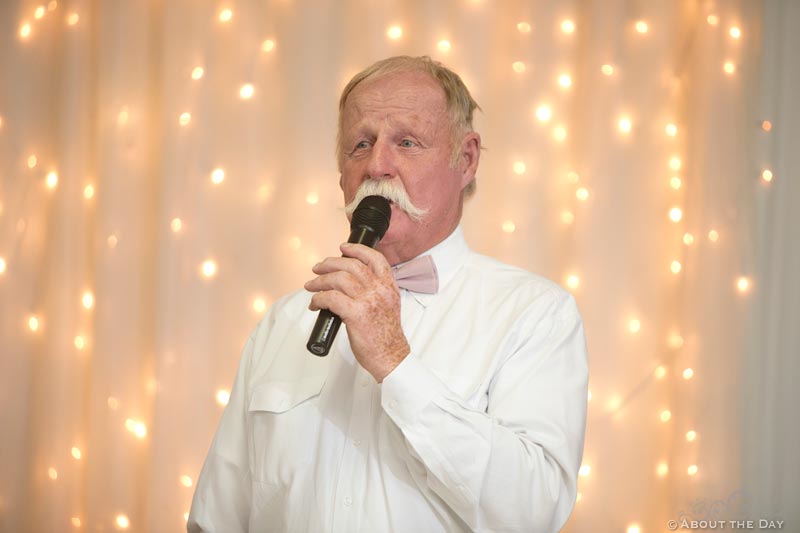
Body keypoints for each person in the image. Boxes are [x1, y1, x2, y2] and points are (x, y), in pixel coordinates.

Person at [188, 55, 588, 533]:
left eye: (406, 142)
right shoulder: (284, 322)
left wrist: (396, 363)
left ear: (466, 159)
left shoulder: (536, 315)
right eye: (360, 144)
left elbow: (533, 509)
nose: (377, 165)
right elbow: (217, 519)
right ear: (340, 171)